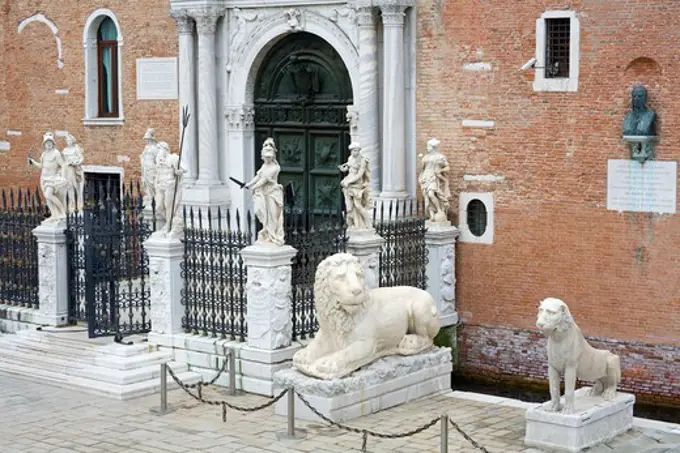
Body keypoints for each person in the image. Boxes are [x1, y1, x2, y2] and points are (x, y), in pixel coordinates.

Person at [245, 138, 285, 246]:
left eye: (269, 157)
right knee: (261, 212)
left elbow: (264, 180)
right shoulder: (264, 165)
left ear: (273, 157)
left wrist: (253, 188)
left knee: (272, 215)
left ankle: (273, 236)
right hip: (263, 194)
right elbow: (259, 176)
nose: (267, 159)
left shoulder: (275, 167)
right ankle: (267, 233)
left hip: (272, 194)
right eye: (266, 157)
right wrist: (249, 184)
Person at [28, 132, 68, 222]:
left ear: (53, 143)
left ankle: (62, 212)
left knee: (48, 195)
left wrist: (63, 177)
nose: (48, 144)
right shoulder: (44, 154)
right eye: (46, 143)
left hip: (52, 179)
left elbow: (63, 165)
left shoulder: (56, 153)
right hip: (43, 179)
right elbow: (41, 166)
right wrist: (33, 162)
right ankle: (54, 215)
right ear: (44, 145)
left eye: (50, 142)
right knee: (47, 199)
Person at [153, 141, 185, 236]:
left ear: (165, 149)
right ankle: (169, 221)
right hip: (160, 186)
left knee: (169, 206)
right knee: (159, 206)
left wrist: (179, 172)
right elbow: (157, 174)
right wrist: (156, 184)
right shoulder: (158, 160)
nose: (158, 151)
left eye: (159, 149)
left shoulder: (174, 158)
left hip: (170, 185)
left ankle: (168, 225)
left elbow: (183, 169)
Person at [338, 142, 371, 229]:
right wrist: (343, 169)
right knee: (349, 207)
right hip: (349, 179)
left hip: (357, 183)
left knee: (358, 205)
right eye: (353, 151)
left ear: (359, 151)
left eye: (357, 151)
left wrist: (349, 182)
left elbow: (360, 174)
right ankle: (353, 223)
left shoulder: (363, 160)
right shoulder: (350, 158)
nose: (355, 152)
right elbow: (348, 167)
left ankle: (367, 222)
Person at [418, 138, 451, 223]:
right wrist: (420, 160)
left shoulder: (440, 157)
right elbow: (422, 168)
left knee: (431, 194)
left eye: (428, 146)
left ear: (433, 147)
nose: (427, 148)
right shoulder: (426, 157)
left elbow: (447, 167)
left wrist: (440, 171)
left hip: (434, 178)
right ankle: (432, 215)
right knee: (427, 197)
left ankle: (439, 210)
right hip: (425, 178)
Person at [61, 134, 85, 212]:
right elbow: (62, 161)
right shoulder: (64, 150)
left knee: (76, 188)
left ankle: (79, 206)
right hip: (66, 169)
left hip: (74, 168)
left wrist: (75, 162)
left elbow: (81, 158)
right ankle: (71, 206)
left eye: (69, 140)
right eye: (67, 140)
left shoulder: (76, 149)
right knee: (68, 187)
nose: (68, 142)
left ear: (72, 141)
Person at [140, 128, 159, 211]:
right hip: (145, 168)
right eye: (146, 139)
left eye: (148, 139)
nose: (147, 141)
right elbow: (143, 157)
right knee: (146, 183)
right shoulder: (146, 148)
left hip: (151, 168)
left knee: (152, 183)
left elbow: (157, 159)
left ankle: (154, 199)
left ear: (151, 139)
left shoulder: (155, 148)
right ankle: (150, 198)